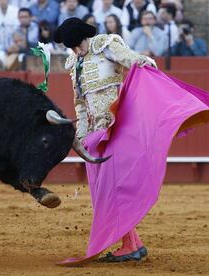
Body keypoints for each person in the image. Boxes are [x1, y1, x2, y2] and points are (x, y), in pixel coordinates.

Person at [54, 17, 156, 262]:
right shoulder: (75, 63)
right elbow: (80, 102)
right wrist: (80, 136)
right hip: (94, 135)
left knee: (114, 189)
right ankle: (133, 243)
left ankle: (130, 246)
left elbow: (130, 59)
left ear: (83, 38)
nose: (76, 51)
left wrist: (144, 62)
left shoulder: (104, 45)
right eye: (71, 48)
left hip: (115, 127)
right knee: (106, 191)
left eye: (76, 45)